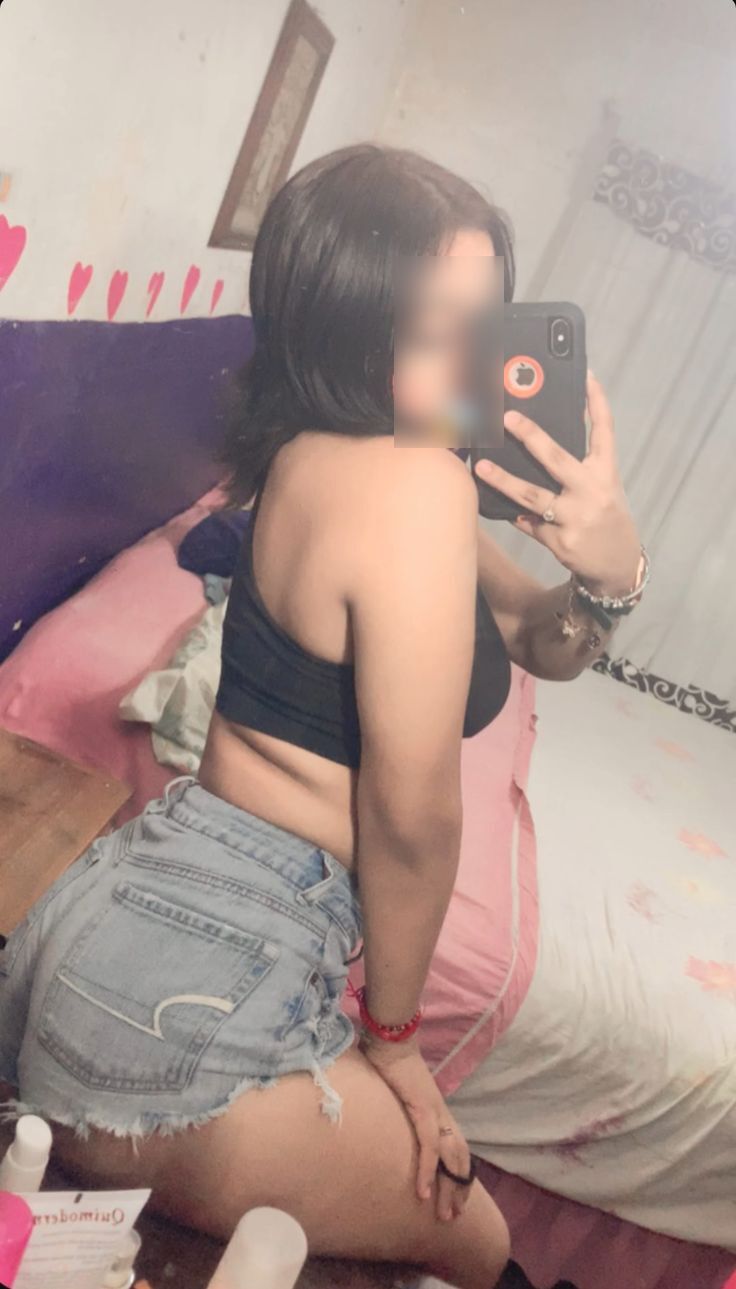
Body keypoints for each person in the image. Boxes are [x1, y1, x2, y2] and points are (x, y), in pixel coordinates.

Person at [0, 144, 644, 1289]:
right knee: (481, 1242)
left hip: (126, 924)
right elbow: (410, 815)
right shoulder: (410, 486)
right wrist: (394, 1043)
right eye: (436, 326)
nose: (473, 359)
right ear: (350, 329)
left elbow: (538, 637)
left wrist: (606, 573)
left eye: (484, 319)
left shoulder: (333, 454)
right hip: (191, 990)